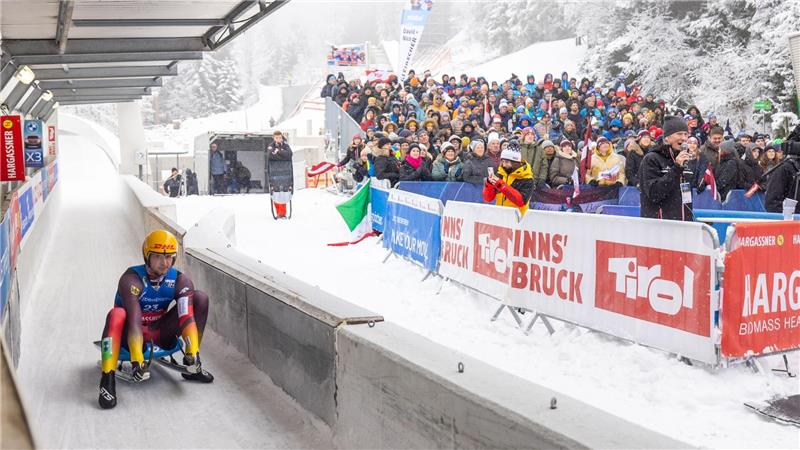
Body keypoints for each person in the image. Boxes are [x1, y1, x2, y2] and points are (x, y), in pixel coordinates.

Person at [98, 230, 213, 409]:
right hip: (131, 335)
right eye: (158, 257)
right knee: (116, 314)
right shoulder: (131, 279)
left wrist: (192, 351)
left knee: (200, 298)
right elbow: (134, 320)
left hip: (160, 332)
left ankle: (192, 367)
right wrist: (137, 359)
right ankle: (107, 379)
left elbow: (186, 316)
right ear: (147, 256)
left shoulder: (180, 280)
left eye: (169, 257)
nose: (164, 262)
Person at [638, 116, 693, 221]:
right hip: (660, 225)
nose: (684, 138)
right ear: (667, 138)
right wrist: (676, 168)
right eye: (679, 134)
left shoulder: (686, 160)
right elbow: (654, 194)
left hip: (683, 225)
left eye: (686, 134)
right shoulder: (652, 159)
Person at [482, 140, 534, 214]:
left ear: (515, 162)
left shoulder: (527, 179)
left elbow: (521, 201)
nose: (503, 165)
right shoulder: (500, 174)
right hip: (500, 216)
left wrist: (501, 185)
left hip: (517, 220)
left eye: (506, 162)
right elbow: (488, 199)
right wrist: (488, 185)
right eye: (502, 161)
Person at [267, 130, 293, 218]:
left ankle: (282, 213)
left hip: (286, 172)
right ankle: (278, 212)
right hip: (274, 173)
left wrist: (278, 152)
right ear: (274, 138)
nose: (278, 139)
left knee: (285, 191)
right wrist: (282, 154)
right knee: (275, 191)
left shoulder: (286, 145)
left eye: (280, 137)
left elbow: (289, 154)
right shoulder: (271, 146)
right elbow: (271, 156)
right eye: (276, 138)